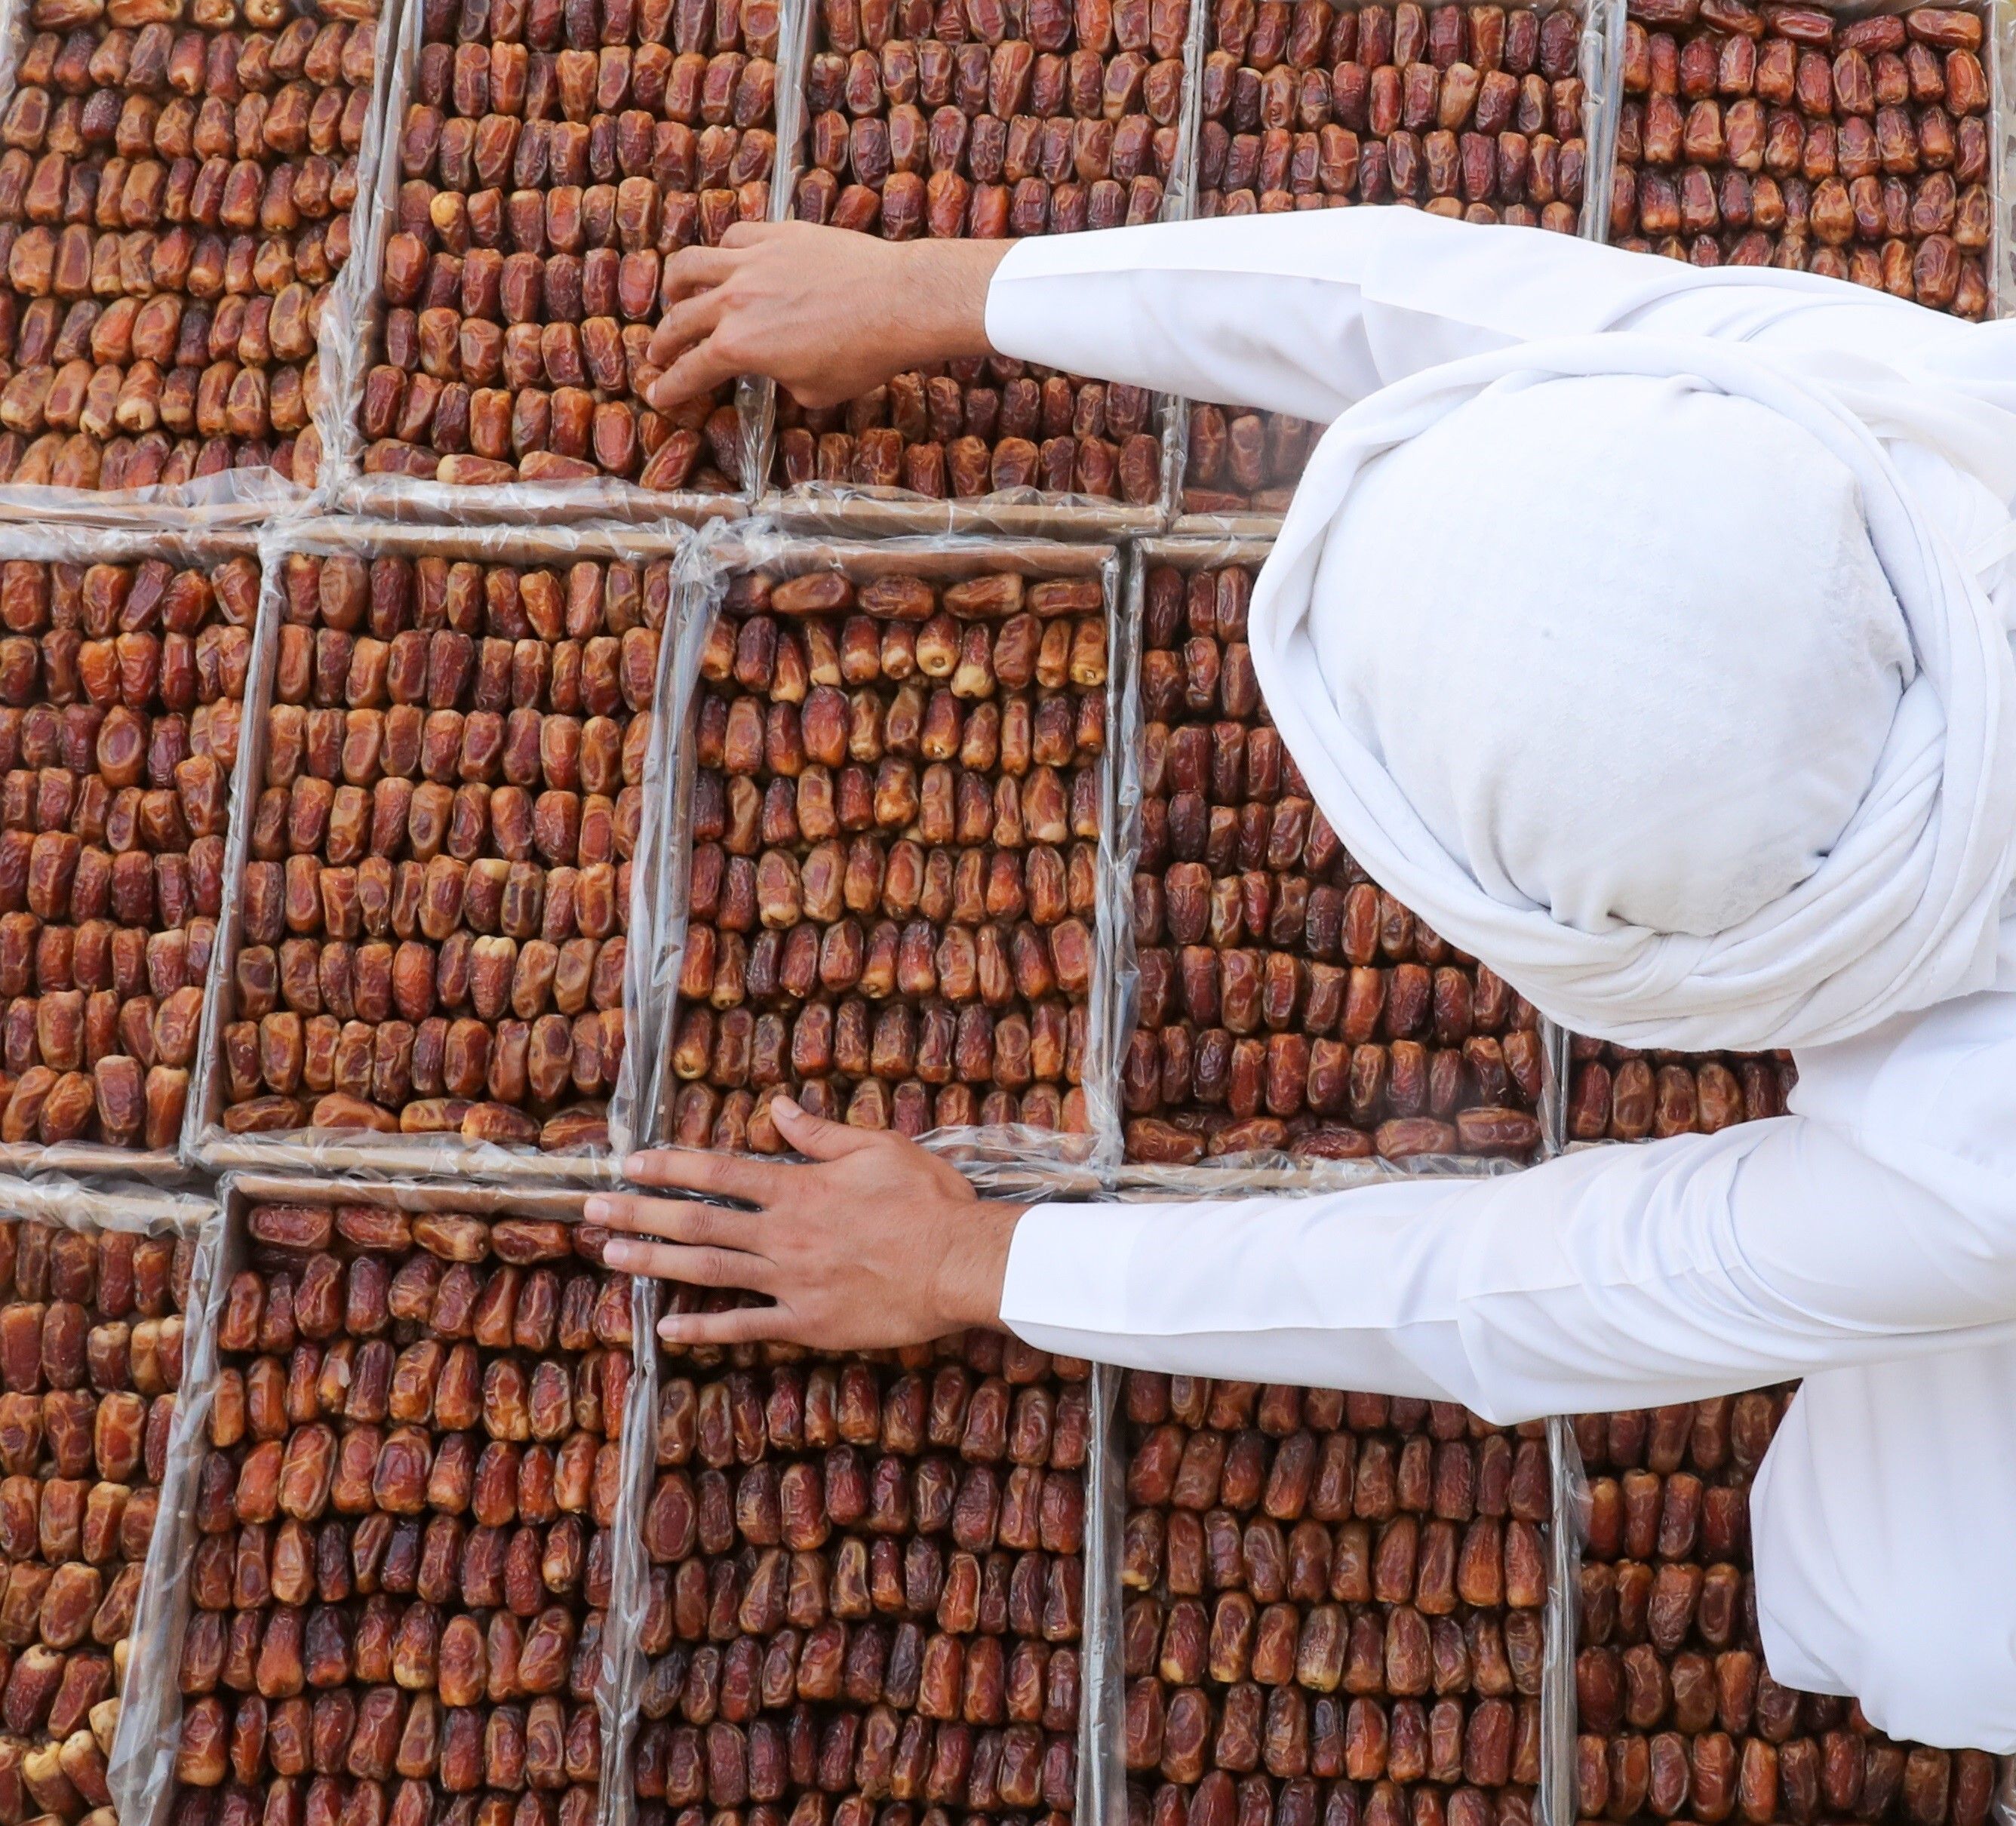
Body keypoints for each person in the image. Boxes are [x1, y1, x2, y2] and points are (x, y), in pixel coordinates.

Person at [586, 211, 2016, 1748]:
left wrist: (976, 1266)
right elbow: (1405, 299)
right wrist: (940, 293)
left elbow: (1509, 1286)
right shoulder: (1890, 421)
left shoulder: (1973, 1171)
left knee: (1946, 1633)